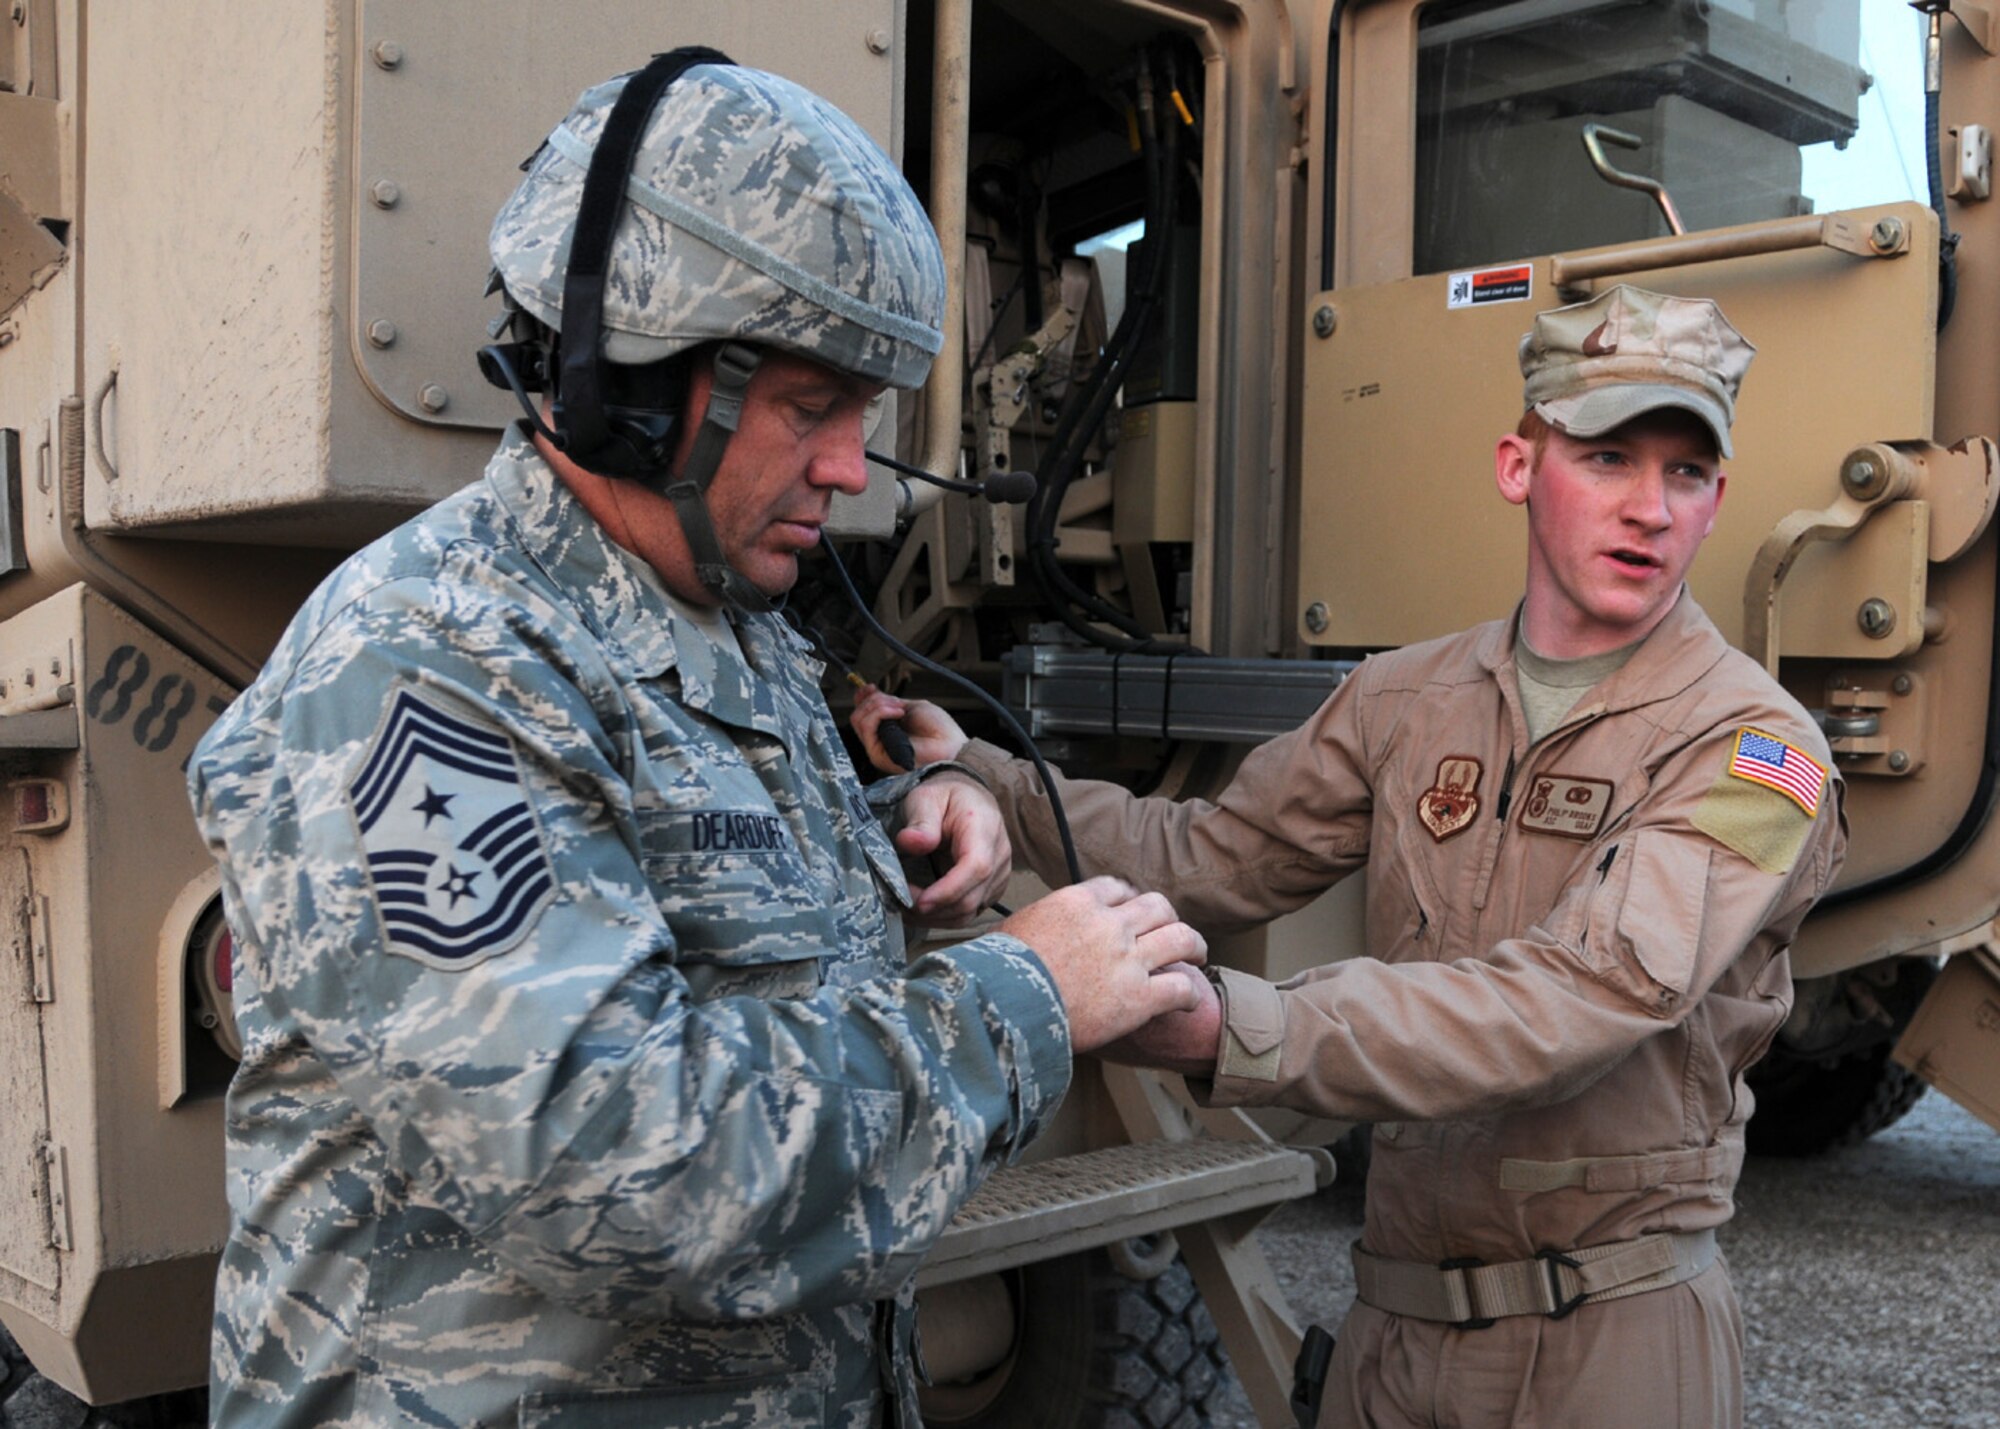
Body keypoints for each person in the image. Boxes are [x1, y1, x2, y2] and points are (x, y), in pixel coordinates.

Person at [187, 56, 1207, 1428]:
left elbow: (712, 834)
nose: (851, 469)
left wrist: (918, 800)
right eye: (810, 407)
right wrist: (1026, 996)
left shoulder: (721, 612)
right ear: (638, 382)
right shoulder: (427, 667)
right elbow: (614, 1174)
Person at [855, 285, 1847, 1428]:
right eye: (1609, 455)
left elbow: (1585, 995)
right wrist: (983, 768)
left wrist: (1236, 1029)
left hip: (1605, 1345)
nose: (1648, 508)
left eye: (1683, 473)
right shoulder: (1402, 696)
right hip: (1393, 1325)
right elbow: (1210, 855)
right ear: (1519, 466)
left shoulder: (1753, 746)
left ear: (1718, 500)